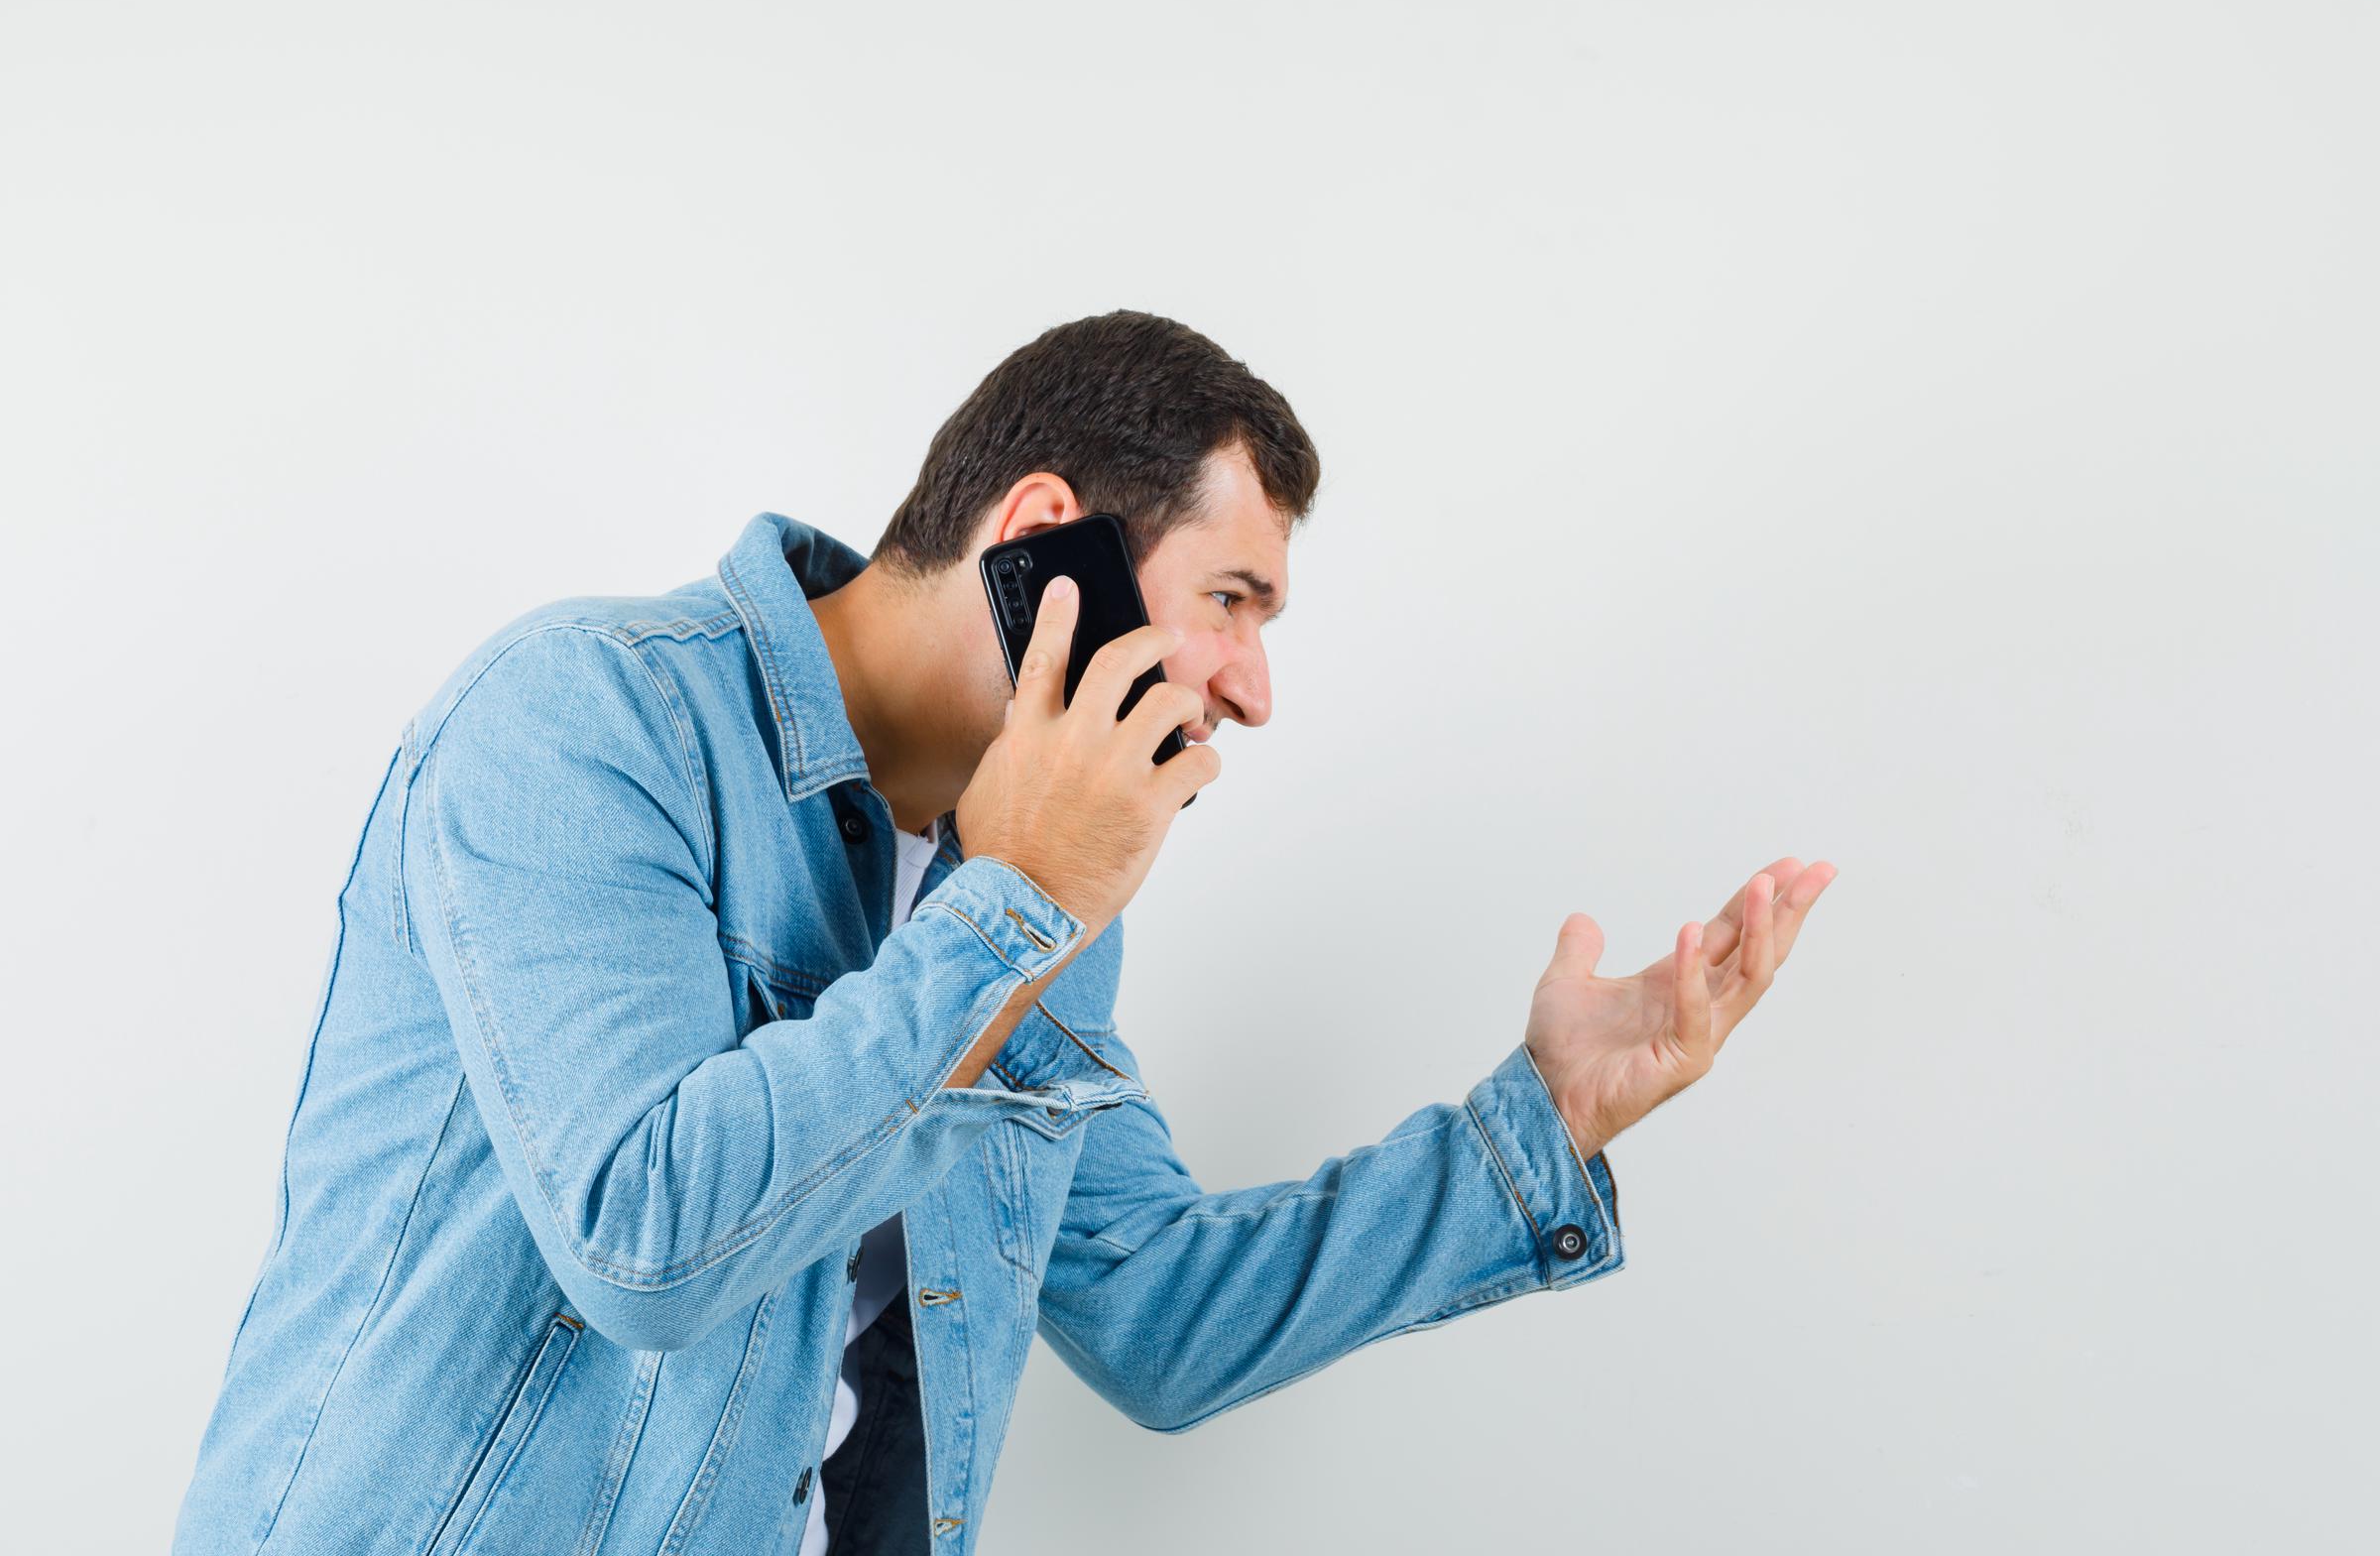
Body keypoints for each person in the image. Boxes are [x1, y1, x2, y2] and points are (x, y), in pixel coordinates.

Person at [174, 310, 1835, 1556]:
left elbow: (1161, 1317)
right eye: (1233, 602)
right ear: (1044, 539)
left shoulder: (1024, 880)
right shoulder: (587, 722)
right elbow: (644, 1244)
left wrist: (1542, 1125)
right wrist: (1016, 906)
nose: (1255, 690)